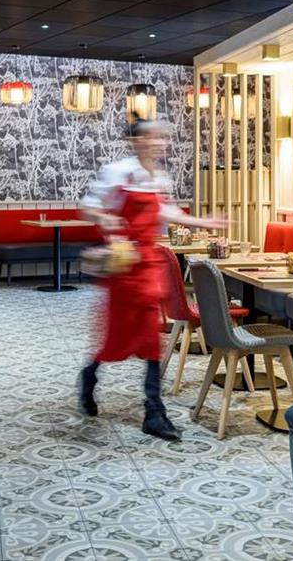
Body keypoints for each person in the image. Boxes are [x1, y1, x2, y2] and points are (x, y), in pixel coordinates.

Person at [78, 116, 225, 440]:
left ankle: (154, 412)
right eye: (154, 137)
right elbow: (88, 207)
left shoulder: (159, 177)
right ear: (137, 141)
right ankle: (90, 375)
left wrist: (203, 222)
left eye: (163, 138)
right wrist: (105, 219)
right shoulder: (118, 172)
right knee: (114, 339)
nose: (160, 143)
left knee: (151, 341)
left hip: (148, 267)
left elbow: (165, 212)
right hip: (122, 268)